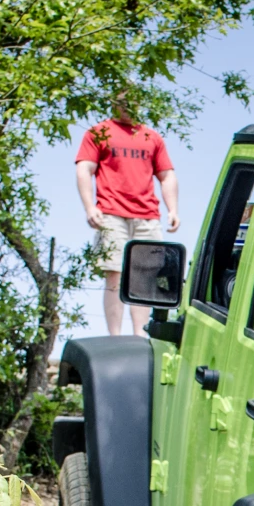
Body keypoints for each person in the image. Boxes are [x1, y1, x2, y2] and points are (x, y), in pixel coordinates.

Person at [75, 92, 179, 335]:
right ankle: (115, 336)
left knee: (145, 279)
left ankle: (139, 335)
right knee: (115, 274)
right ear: (113, 102)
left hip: (147, 216)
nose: (128, 105)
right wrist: (90, 207)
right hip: (111, 214)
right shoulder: (98, 132)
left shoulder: (151, 137)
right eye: (122, 100)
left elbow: (167, 175)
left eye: (132, 100)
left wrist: (173, 209)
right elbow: (84, 169)